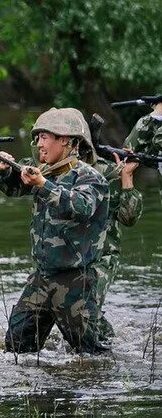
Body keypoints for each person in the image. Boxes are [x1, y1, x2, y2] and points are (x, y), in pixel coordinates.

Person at [0, 108, 110, 354]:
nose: (39, 145)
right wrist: (4, 172)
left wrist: (43, 185)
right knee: (17, 345)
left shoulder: (91, 178)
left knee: (89, 355)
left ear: (65, 140)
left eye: (45, 137)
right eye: (38, 138)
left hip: (76, 280)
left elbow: (81, 207)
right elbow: (14, 188)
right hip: (42, 277)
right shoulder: (43, 172)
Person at [61, 108, 141, 343]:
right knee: (72, 310)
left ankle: (104, 351)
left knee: (87, 305)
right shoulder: (53, 169)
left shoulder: (106, 171)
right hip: (70, 256)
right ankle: (103, 343)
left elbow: (129, 217)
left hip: (102, 255)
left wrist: (126, 177)